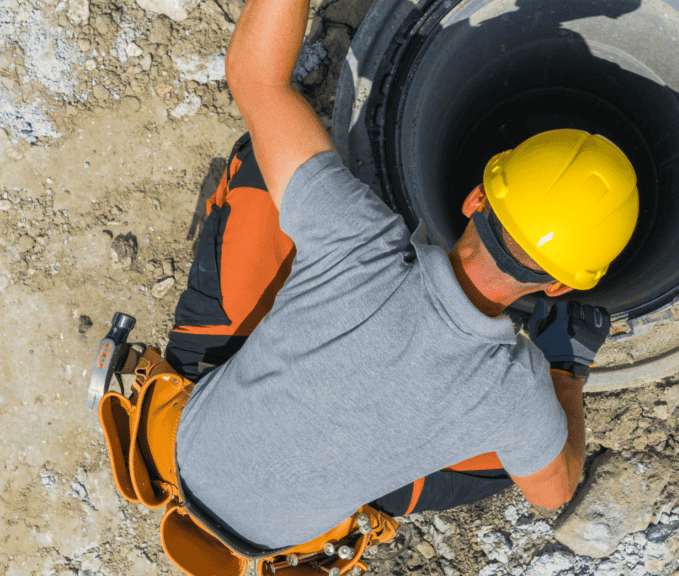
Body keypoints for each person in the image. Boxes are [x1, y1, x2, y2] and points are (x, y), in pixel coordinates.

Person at [162, 0, 641, 552]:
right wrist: (566, 371)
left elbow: (255, 80)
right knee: (530, 455)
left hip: (189, 443)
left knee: (262, 166)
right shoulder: (514, 394)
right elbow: (555, 492)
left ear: (474, 198)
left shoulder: (355, 239)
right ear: (561, 284)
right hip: (282, 537)